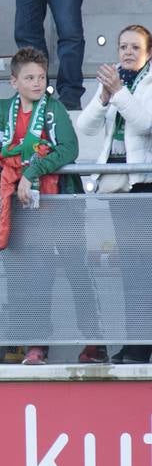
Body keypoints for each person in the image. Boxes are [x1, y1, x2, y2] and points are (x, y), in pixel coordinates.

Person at [0, 47, 91, 366]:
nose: (37, 83)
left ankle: (95, 342)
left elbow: (69, 149)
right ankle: (36, 345)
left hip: (61, 205)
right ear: (13, 81)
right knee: (34, 277)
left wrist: (31, 170)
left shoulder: (53, 108)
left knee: (78, 272)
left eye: (41, 77)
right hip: (25, 209)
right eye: (29, 77)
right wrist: (25, 158)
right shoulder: (4, 108)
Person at [76, 25, 152, 364]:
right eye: (123, 46)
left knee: (146, 268)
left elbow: (145, 123)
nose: (127, 52)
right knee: (131, 269)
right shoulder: (112, 82)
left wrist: (118, 92)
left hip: (145, 183)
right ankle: (135, 344)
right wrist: (104, 97)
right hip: (119, 185)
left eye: (135, 47)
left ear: (148, 51)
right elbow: (86, 126)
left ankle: (143, 345)